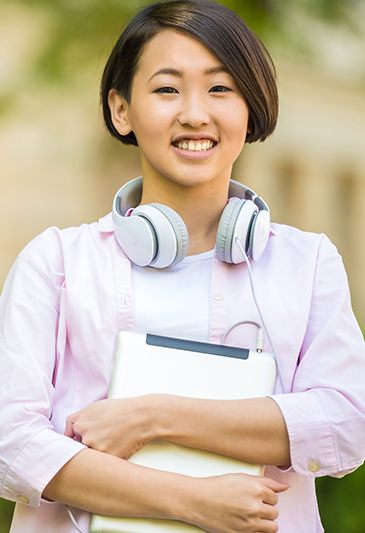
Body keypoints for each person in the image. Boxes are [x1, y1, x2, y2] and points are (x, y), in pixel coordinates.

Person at [0, 1, 365, 532]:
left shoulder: (307, 264)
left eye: (220, 88)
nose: (195, 113)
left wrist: (153, 416)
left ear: (250, 107)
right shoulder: (56, 261)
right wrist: (190, 500)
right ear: (121, 109)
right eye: (167, 89)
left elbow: (348, 423)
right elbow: (10, 441)